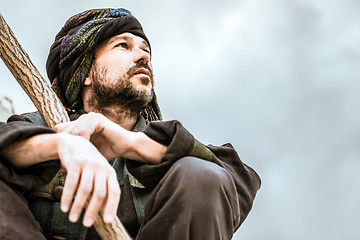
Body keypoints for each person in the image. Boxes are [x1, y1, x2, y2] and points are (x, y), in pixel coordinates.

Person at [0, 8, 261, 240]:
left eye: (145, 51)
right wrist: (61, 145)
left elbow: (236, 184)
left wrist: (133, 144)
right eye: (123, 46)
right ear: (86, 73)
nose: (142, 57)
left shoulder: (159, 143)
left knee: (202, 175)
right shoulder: (37, 127)